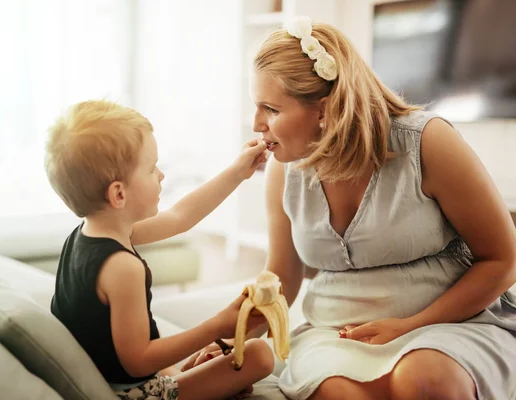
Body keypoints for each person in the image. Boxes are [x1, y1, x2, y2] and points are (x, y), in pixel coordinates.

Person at [185, 17, 516, 400]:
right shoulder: (284, 170)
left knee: (426, 380)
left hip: (451, 324)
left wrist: (410, 324)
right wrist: (232, 339)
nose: (257, 124)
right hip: (335, 334)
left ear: (324, 110)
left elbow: (503, 258)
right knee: (341, 393)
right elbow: (280, 279)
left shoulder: (427, 142)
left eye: (270, 109)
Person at [44, 100, 275, 400]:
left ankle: (191, 373)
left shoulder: (88, 235)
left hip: (116, 376)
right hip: (132, 393)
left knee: (223, 361)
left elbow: (181, 217)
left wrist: (237, 172)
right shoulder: (122, 268)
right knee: (259, 355)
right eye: (152, 169)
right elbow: (139, 360)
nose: (162, 175)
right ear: (118, 193)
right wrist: (218, 325)